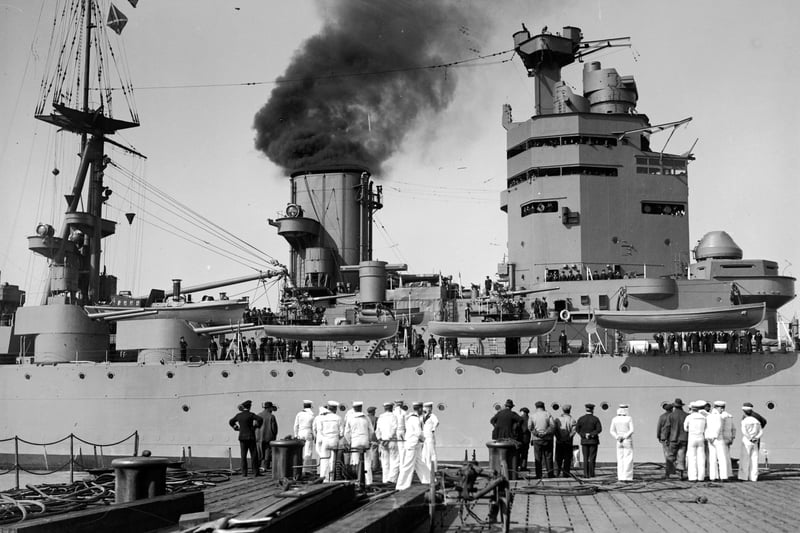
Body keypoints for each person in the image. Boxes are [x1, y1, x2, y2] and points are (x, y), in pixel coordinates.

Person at [396, 402, 430, 490]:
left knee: (420, 463)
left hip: (415, 444)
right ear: (419, 409)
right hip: (412, 445)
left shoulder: (411, 418)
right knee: (408, 465)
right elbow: (418, 432)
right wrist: (424, 439)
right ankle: (401, 485)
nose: (422, 411)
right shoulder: (415, 419)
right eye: (421, 409)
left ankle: (428, 479)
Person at [228, 400, 263, 477]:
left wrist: (235, 427)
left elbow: (231, 421)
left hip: (242, 437)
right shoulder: (251, 415)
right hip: (251, 437)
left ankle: (244, 473)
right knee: (254, 455)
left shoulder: (239, 415)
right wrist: (256, 426)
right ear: (249, 407)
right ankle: (255, 472)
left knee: (243, 456)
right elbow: (260, 419)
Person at [344, 401, 375, 485]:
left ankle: (358, 481)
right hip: (365, 441)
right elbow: (371, 431)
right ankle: (369, 481)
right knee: (367, 461)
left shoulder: (350, 418)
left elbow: (346, 432)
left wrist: (349, 442)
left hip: (355, 441)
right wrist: (369, 440)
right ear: (361, 408)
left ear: (354, 408)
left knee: (356, 461)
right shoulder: (366, 417)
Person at [317, 400, 343, 482]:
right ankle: (331, 479)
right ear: (335, 409)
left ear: (328, 408)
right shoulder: (338, 418)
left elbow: (320, 431)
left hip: (325, 440)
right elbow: (342, 433)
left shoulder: (322, 418)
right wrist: (337, 437)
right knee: (333, 460)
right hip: (334, 440)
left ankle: (324, 479)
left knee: (324, 460)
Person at [662, 398, 688, 480]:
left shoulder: (671, 415)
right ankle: (680, 474)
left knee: (670, 456)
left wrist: (665, 438)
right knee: (681, 455)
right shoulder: (686, 415)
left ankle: (668, 474)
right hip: (684, 439)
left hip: (673, 438)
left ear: (674, 407)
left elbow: (667, 427)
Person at [529, 401, 555, 479]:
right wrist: (545, 433)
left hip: (537, 439)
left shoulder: (532, 415)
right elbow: (552, 425)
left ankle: (538, 475)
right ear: (543, 406)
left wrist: (537, 433)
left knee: (538, 457)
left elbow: (530, 427)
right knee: (548, 457)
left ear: (536, 407)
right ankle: (550, 474)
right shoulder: (548, 414)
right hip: (548, 439)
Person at [738, 404, 764, 481]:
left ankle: (743, 477)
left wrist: (749, 438)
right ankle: (754, 477)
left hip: (747, 441)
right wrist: (756, 438)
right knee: (754, 459)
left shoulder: (744, 421)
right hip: (755, 442)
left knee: (744, 459)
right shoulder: (756, 421)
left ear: (744, 411)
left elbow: (744, 431)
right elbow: (761, 431)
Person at [575, 403, 602, 478]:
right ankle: (591, 474)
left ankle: (585, 474)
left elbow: (577, 429)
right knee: (592, 457)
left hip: (584, 441)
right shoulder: (595, 419)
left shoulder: (581, 419)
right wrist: (591, 434)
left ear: (586, 409)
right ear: (593, 410)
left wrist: (584, 435)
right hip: (593, 441)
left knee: (585, 458)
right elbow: (599, 429)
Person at [683, 401, 707, 481]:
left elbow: (685, 428)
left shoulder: (689, 417)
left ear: (692, 409)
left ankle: (693, 477)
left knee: (692, 457)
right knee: (701, 458)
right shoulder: (703, 417)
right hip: (701, 437)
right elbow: (706, 428)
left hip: (692, 438)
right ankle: (701, 477)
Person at [609, 405, 634, 481]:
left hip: (618, 440)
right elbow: (631, 430)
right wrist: (625, 436)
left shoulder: (614, 419)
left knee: (620, 458)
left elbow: (611, 431)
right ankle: (628, 477)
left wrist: (617, 437)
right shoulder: (629, 418)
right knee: (628, 458)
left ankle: (620, 476)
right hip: (627, 439)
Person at [376, 402, 399, 483]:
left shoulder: (381, 417)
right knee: (394, 460)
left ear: (384, 408)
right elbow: (394, 428)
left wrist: (380, 439)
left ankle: (385, 479)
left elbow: (377, 430)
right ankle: (392, 479)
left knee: (385, 461)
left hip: (382, 441)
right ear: (392, 408)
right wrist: (388, 439)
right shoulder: (394, 417)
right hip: (391, 441)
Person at [705, 400, 727, 481]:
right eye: (722, 408)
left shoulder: (709, 416)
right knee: (722, 457)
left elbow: (706, 428)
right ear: (719, 408)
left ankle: (713, 476)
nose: (723, 410)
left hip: (710, 439)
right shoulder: (718, 416)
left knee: (712, 458)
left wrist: (708, 437)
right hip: (718, 438)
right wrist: (714, 437)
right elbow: (718, 427)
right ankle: (723, 476)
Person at [553, 404, 576, 478]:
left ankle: (556, 473)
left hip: (559, 441)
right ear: (570, 410)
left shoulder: (557, 419)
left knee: (558, 458)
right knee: (567, 458)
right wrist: (567, 438)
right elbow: (573, 431)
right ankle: (565, 473)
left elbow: (555, 430)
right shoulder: (572, 420)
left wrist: (559, 437)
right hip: (568, 442)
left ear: (562, 410)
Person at [293, 400, 316, 472]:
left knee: (300, 451)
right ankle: (306, 470)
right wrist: (315, 436)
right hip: (308, 432)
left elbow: (296, 425)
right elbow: (314, 427)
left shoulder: (299, 414)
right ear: (311, 406)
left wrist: (296, 435)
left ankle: (298, 468)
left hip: (300, 433)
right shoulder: (312, 414)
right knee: (308, 452)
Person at [256, 401, 278, 472]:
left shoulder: (258, 415)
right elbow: (274, 428)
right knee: (267, 452)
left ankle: (258, 466)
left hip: (259, 437)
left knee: (259, 452)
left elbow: (255, 425)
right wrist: (274, 436)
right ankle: (265, 467)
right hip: (269, 437)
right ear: (270, 408)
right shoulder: (271, 416)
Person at [718, 401, 736, 479]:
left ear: (721, 408)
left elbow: (720, 428)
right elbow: (734, 428)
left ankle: (723, 474)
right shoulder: (730, 416)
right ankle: (729, 473)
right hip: (729, 438)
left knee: (722, 457)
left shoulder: (721, 417)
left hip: (722, 438)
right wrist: (732, 437)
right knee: (727, 456)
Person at [657, 402, 674, 478]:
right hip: (674, 438)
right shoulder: (674, 416)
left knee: (667, 456)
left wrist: (658, 437)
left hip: (664, 438)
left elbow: (659, 428)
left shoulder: (662, 417)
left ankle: (668, 474)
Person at [421, 401, 439, 475]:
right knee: (425, 453)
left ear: (430, 409)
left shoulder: (432, 416)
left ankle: (434, 469)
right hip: (425, 437)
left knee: (432, 453)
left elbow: (437, 422)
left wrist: (433, 429)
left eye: (426, 408)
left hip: (430, 436)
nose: (424, 410)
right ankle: (426, 468)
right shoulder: (424, 416)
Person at [518, 407, 532, 471]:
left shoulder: (520, 418)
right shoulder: (529, 418)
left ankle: (517, 466)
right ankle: (523, 466)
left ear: (523, 412)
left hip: (520, 438)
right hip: (527, 438)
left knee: (518, 453)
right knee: (525, 453)